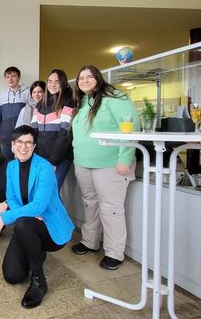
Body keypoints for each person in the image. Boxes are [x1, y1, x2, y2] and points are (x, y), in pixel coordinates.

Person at [0, 126, 74, 309]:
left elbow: (40, 206)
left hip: (50, 228)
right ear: (12, 145)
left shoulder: (44, 168)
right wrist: (26, 215)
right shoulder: (11, 166)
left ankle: (39, 282)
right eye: (19, 142)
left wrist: (5, 218)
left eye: (28, 142)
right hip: (29, 225)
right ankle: (35, 249)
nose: (23, 147)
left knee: (22, 223)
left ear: (34, 146)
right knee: (12, 276)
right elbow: (11, 197)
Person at [71, 65, 139, 270]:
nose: (84, 80)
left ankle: (114, 253)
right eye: (80, 77)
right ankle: (90, 242)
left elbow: (130, 127)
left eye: (88, 76)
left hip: (110, 164)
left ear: (98, 78)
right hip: (83, 163)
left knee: (111, 209)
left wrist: (125, 158)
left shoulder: (115, 98)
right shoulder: (83, 102)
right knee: (90, 203)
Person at [31, 69, 75, 190]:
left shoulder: (68, 103)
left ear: (63, 83)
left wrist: (53, 161)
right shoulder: (40, 104)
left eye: (57, 81)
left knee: (51, 192)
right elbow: (33, 132)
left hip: (60, 158)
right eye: (49, 81)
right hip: (41, 157)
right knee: (43, 194)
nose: (52, 84)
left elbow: (64, 134)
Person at [0, 66, 29, 160]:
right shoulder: (2, 95)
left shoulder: (28, 93)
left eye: (13, 76)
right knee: (7, 165)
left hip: (22, 137)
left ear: (19, 77)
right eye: (7, 76)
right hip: (5, 139)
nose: (10, 79)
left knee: (21, 164)